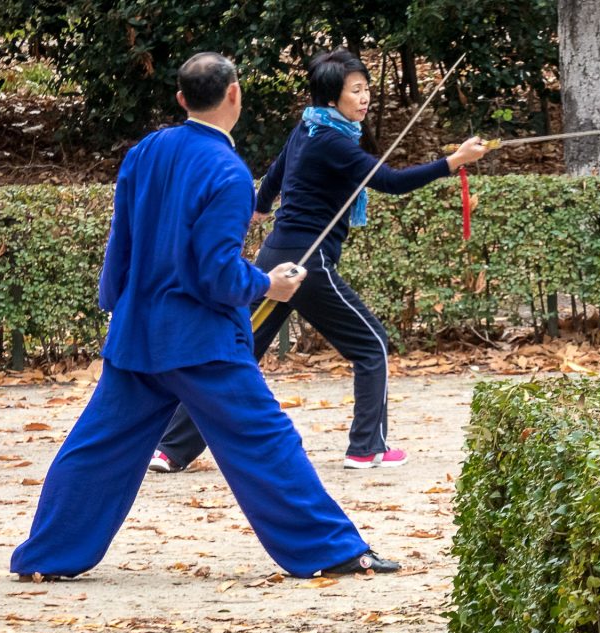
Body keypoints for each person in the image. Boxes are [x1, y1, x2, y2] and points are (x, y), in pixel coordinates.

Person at [11, 52, 399, 580]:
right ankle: (332, 550)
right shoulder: (228, 172)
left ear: (181, 99)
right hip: (201, 340)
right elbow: (217, 274)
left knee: (98, 446)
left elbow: (120, 244)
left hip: (138, 332)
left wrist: (118, 307)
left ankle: (44, 558)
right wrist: (270, 284)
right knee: (266, 441)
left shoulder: (146, 150)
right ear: (235, 94)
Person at [148, 48, 488, 474]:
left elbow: (274, 173)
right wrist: (454, 162)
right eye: (356, 91)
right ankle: (367, 448)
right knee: (372, 344)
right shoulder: (333, 142)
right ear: (332, 99)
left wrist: (259, 207)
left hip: (277, 257)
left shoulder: (309, 129)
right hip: (308, 265)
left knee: (237, 351)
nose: (364, 99)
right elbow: (391, 182)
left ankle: (170, 450)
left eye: (366, 90)